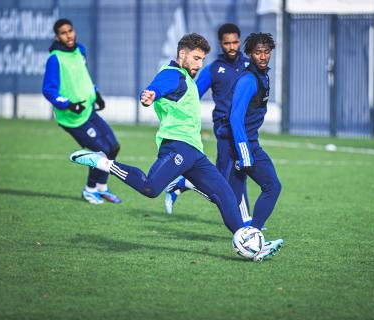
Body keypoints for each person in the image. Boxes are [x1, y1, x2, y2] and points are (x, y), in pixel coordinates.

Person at [68, 33, 283, 261]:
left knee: (225, 195)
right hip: (177, 147)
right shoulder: (174, 75)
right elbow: (157, 87)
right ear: (183, 54)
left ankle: (253, 246)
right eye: (196, 58)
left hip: (194, 153)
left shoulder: (188, 79)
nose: (200, 65)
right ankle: (103, 162)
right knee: (150, 188)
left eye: (202, 60)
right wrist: (150, 94)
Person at [164, 23, 252, 226]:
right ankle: (246, 222)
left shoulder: (249, 66)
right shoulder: (214, 69)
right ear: (221, 44)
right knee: (227, 181)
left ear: (240, 41)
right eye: (227, 43)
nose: (232, 46)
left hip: (244, 130)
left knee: (229, 177)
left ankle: (182, 183)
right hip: (224, 129)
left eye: (235, 42)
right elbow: (191, 93)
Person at [42, 18, 122, 205]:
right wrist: (68, 104)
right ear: (57, 36)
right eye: (63, 32)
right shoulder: (55, 59)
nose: (68, 35)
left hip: (88, 111)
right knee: (101, 151)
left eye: (70, 30)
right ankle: (89, 190)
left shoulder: (80, 50)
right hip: (72, 117)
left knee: (114, 147)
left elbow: (82, 77)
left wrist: (96, 94)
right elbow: (49, 90)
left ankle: (102, 188)